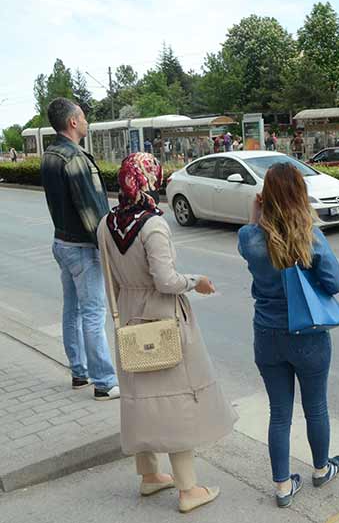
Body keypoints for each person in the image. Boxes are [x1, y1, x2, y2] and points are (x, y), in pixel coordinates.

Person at [98, 152, 236, 514]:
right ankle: (188, 489)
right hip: (162, 319)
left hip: (129, 316)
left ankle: (149, 476)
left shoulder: (106, 223)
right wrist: (197, 281)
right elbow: (166, 281)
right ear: (149, 179)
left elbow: (109, 279)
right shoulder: (153, 225)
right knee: (175, 400)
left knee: (141, 398)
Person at [238, 162, 339, 508]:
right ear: (300, 194)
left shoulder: (250, 239)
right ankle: (320, 469)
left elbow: (250, 232)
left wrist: (256, 210)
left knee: (279, 412)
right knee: (316, 406)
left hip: (267, 334)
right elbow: (336, 283)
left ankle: (283, 487)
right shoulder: (310, 235)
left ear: (265, 196)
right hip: (308, 335)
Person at [39, 97, 119, 400]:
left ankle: (79, 371)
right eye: (83, 117)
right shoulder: (74, 159)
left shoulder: (50, 155)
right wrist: (108, 244)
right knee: (93, 313)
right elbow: (92, 210)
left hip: (61, 242)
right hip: (83, 248)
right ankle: (104, 382)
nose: (86, 121)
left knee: (71, 310)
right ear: (73, 122)